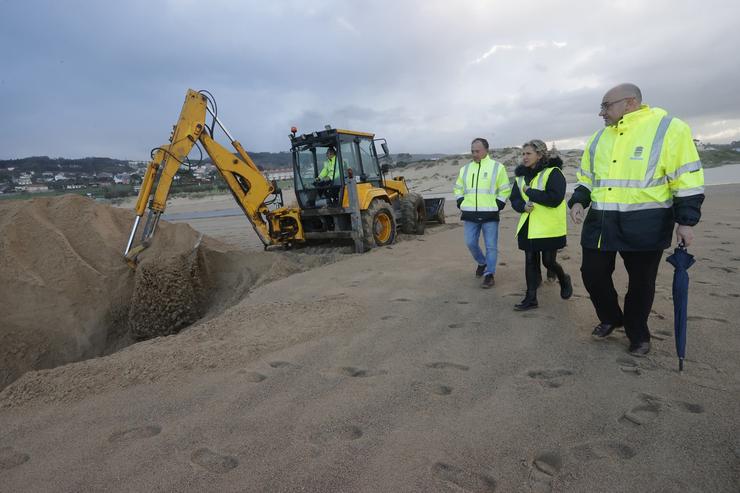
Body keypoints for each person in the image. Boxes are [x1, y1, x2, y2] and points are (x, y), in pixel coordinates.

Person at [568, 83, 705, 356]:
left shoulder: (669, 128)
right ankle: (610, 317)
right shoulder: (598, 138)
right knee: (592, 274)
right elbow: (587, 178)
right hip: (602, 221)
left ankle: (637, 332)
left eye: (606, 106)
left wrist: (686, 220)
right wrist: (578, 200)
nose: (601, 113)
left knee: (641, 283)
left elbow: (686, 178)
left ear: (629, 102)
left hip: (647, 222)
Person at [510, 140, 573, 310]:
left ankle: (563, 278)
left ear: (540, 155)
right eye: (523, 154)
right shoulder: (521, 177)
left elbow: (555, 199)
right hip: (528, 226)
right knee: (530, 260)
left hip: (548, 227)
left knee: (548, 262)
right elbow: (514, 198)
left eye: (528, 153)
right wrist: (522, 206)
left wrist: (530, 193)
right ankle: (531, 298)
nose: (524, 157)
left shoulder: (554, 173)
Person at [453, 138, 512, 288]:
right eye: (472, 151)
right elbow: (458, 188)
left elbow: (505, 189)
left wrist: (498, 204)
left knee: (491, 246)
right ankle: (482, 262)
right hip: (470, 214)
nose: (474, 154)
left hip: (490, 215)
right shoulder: (465, 169)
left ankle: (489, 274)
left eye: (477, 151)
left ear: (486, 150)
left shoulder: (497, 168)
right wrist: (461, 202)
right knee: (470, 242)